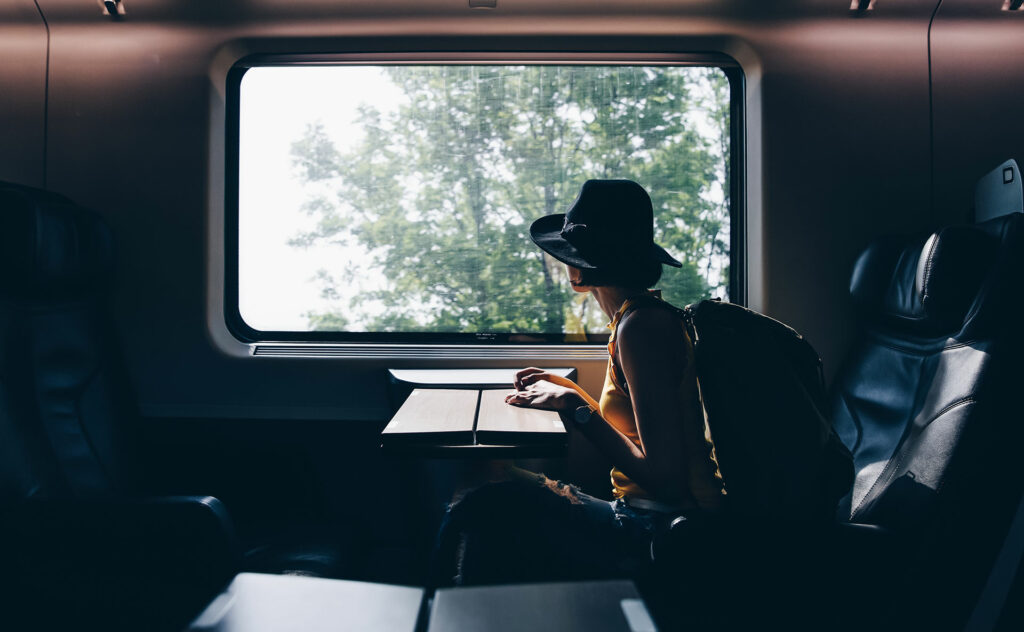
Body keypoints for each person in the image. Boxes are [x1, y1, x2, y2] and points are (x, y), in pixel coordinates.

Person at [434, 179, 725, 586]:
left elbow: (667, 479)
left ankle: (437, 607)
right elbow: (640, 429)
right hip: (651, 516)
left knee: (485, 499)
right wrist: (571, 393)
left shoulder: (642, 328)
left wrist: (574, 408)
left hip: (662, 531)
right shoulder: (638, 319)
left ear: (579, 269)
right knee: (488, 476)